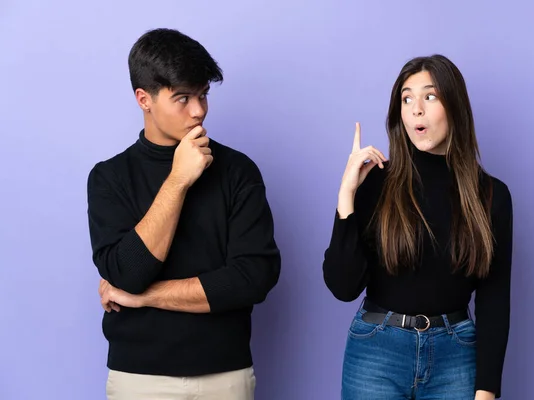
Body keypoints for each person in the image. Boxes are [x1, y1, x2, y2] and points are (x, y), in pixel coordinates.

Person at [86, 28, 281, 400]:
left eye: (203, 95)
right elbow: (128, 272)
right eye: (183, 98)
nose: (199, 110)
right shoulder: (108, 178)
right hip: (139, 378)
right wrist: (177, 181)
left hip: (225, 374)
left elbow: (253, 278)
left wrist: (143, 297)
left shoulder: (238, 171)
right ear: (144, 99)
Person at [322, 54, 512, 399]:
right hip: (376, 353)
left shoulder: (491, 195)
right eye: (406, 98)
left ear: (454, 106)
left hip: (456, 354)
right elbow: (343, 286)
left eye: (430, 96)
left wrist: (487, 389)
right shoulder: (376, 182)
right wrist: (346, 193)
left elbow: (494, 298)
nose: (416, 109)